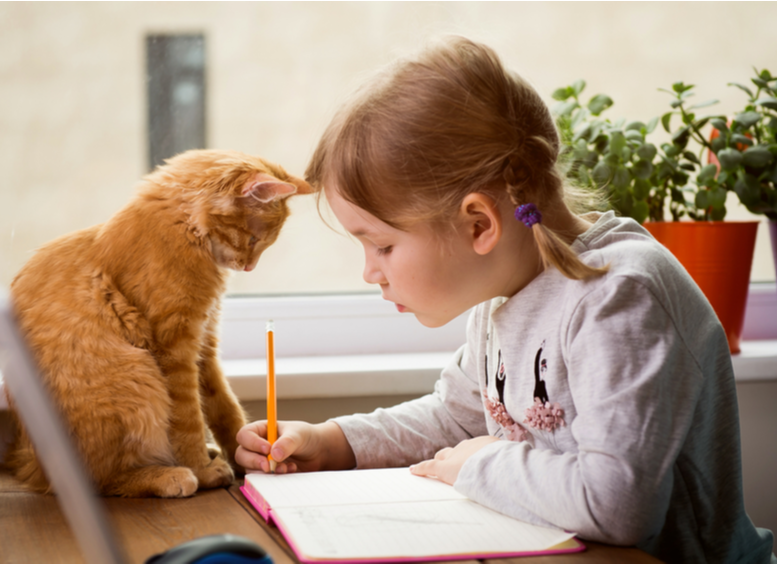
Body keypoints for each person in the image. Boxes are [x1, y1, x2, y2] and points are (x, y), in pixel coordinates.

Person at [235, 36, 775, 563]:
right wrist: (332, 443)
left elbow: (618, 505)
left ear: (478, 224)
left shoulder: (620, 297)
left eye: (382, 245)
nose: (369, 272)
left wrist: (481, 464)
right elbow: (457, 418)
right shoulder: (506, 297)